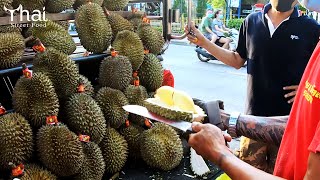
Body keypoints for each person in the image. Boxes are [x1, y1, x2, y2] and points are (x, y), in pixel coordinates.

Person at [187, 0, 320, 179]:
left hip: (288, 129)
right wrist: (204, 42)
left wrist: (305, 89)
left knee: (281, 174)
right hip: (251, 121)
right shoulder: (251, 21)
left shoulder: (312, 28)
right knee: (244, 171)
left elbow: (315, 71)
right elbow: (237, 60)